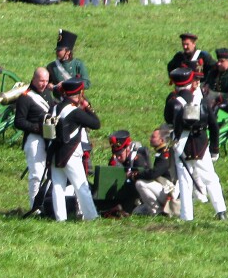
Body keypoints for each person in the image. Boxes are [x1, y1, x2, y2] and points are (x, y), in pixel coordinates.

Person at [163, 67, 227, 221]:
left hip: (182, 146)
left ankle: (187, 216)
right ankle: (221, 211)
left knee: (185, 182)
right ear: (191, 83)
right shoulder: (203, 102)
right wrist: (215, 150)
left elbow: (168, 121)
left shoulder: (173, 103)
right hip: (201, 145)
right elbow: (214, 126)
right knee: (210, 178)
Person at [48, 78, 99, 221]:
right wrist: (88, 107)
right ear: (79, 93)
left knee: (58, 187)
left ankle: (60, 218)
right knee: (82, 187)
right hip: (70, 153)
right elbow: (96, 124)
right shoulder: (75, 112)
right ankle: (92, 217)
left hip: (54, 152)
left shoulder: (55, 108)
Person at [14, 67, 55, 207]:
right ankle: (35, 206)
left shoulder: (48, 94)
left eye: (46, 81)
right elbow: (18, 122)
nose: (44, 84)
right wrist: (36, 128)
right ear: (34, 79)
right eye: (41, 81)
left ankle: (46, 204)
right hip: (34, 139)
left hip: (48, 137)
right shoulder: (25, 97)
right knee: (36, 174)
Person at [133, 126, 178, 216]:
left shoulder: (165, 154)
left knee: (140, 183)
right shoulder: (161, 153)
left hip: (169, 191)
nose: (150, 139)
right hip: (162, 190)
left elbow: (154, 174)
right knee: (136, 211)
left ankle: (157, 211)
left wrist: (137, 175)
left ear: (161, 140)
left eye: (153, 137)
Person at [106, 129, 151, 213]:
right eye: (116, 154)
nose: (118, 158)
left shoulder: (137, 159)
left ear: (127, 149)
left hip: (137, 197)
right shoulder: (114, 160)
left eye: (120, 154)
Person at [48, 29, 90, 98]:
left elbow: (87, 83)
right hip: (59, 101)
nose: (57, 52)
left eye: (60, 50)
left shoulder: (78, 64)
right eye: (57, 50)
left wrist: (66, 85)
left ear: (68, 51)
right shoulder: (51, 66)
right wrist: (50, 86)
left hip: (76, 100)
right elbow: (45, 83)